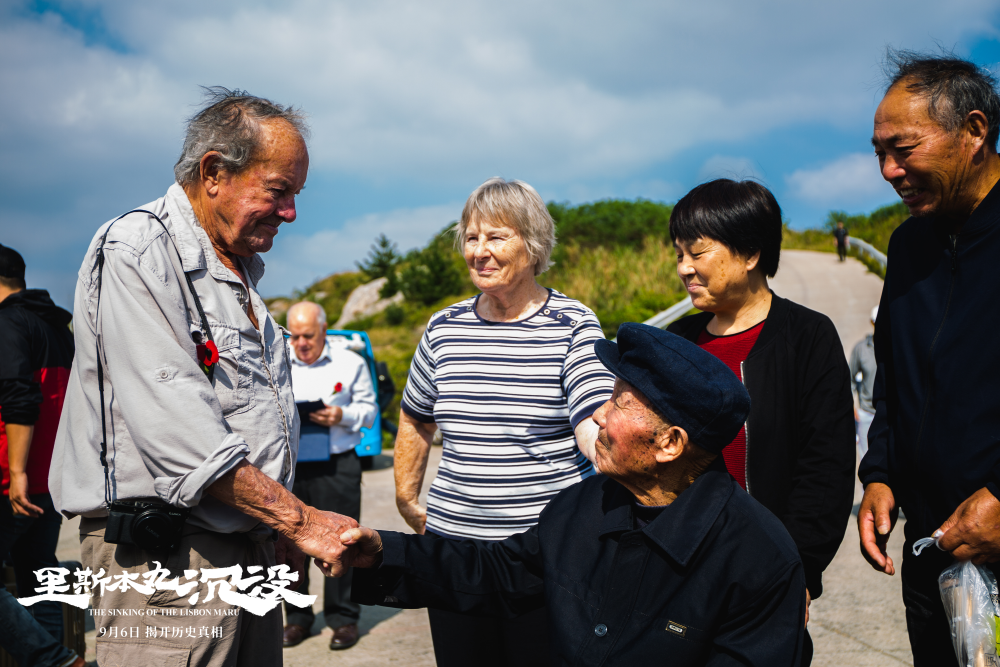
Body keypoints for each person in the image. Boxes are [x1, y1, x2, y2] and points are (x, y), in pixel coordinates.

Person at [49, 88, 358, 667]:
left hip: (244, 546)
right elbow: (182, 433)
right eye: (278, 190)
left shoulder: (232, 269)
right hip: (168, 564)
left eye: (296, 193)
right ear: (214, 172)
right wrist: (301, 521)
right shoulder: (137, 249)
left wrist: (278, 531)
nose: (290, 212)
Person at [325, 324, 807, 666]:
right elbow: (497, 572)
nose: (598, 415)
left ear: (670, 443)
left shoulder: (759, 560)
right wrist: (382, 552)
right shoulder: (583, 504)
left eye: (618, 402)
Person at [393, 177, 615, 666]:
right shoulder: (443, 327)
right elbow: (415, 418)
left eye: (496, 237)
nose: (479, 251)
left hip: (544, 553)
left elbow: (591, 411)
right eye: (471, 238)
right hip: (454, 551)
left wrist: (605, 447)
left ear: (533, 244)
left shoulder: (572, 324)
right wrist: (408, 500)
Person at [666, 178, 856, 664]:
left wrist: (795, 569)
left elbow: (826, 467)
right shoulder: (676, 342)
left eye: (698, 253)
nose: (684, 268)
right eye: (679, 253)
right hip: (675, 573)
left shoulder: (807, 337)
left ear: (750, 253)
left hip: (767, 573)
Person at [860, 51, 1000, 665]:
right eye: (878, 153)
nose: (889, 170)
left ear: (974, 131)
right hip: (932, 553)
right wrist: (881, 472)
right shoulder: (908, 243)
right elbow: (892, 373)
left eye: (904, 148)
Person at [0, 244, 83, 667]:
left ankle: (55, 660)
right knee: (38, 580)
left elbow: (18, 397)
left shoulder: (8, 323)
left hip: (13, 481)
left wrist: (15, 472)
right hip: (53, 477)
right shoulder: (56, 327)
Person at [282, 301, 377, 651]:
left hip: (338, 464)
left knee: (343, 542)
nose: (301, 343)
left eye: (308, 336)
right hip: (293, 466)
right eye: (295, 337)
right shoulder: (278, 361)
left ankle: (343, 619)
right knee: (291, 544)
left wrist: (342, 415)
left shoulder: (350, 363)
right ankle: (297, 618)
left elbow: (369, 411)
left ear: (324, 330)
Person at [849, 306, 878, 459]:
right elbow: (849, 379)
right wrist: (852, 408)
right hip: (866, 413)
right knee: (867, 460)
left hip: (889, 415)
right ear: (872, 323)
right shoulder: (861, 350)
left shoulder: (896, 349)